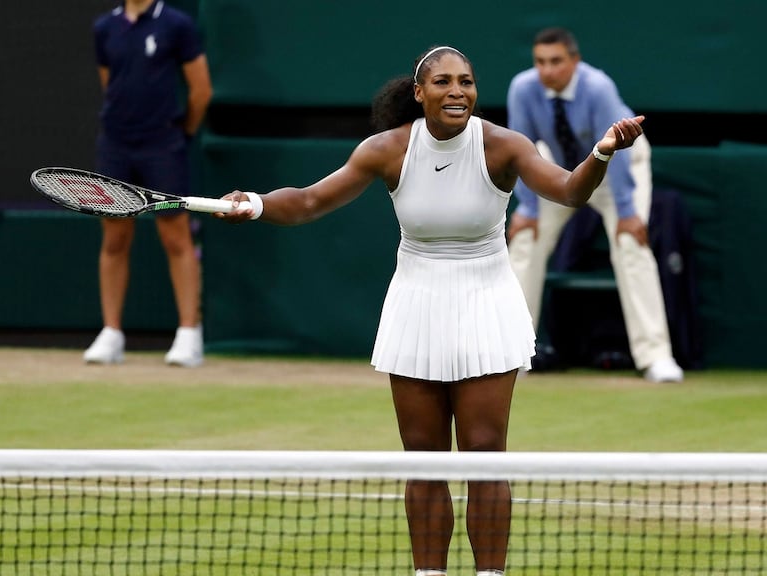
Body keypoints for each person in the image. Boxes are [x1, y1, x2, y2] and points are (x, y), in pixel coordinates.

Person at [213, 45, 645, 576]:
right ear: (420, 93)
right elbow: (306, 202)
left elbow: (568, 191)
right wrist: (254, 204)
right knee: (422, 458)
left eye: (465, 81)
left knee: (485, 454)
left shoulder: (503, 146)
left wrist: (601, 152)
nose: (457, 91)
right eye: (443, 82)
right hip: (415, 304)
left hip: (487, 302)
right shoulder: (386, 149)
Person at [505, 27, 684, 383]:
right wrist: (526, 207)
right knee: (525, 241)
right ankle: (512, 354)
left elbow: (615, 150)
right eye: (540, 62)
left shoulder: (598, 87)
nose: (547, 70)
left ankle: (656, 356)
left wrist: (628, 213)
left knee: (631, 243)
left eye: (556, 61)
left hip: (618, 165)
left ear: (575, 61)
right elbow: (522, 148)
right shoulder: (523, 89)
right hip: (560, 169)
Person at [83, 0, 213, 367]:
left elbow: (200, 91)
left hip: (163, 144)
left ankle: (189, 335)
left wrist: (180, 133)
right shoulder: (104, 28)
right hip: (116, 145)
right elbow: (111, 84)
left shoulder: (177, 25)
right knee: (114, 237)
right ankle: (111, 334)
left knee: (176, 236)